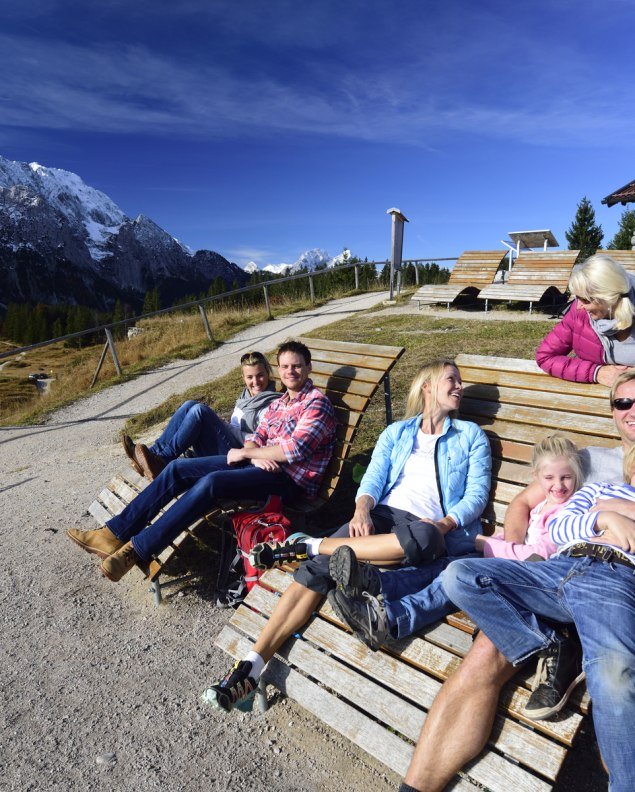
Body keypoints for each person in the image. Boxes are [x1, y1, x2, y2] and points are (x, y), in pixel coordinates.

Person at [203, 359, 491, 711]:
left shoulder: (470, 436)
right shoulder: (397, 433)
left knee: (426, 538)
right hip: (381, 517)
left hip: (429, 526)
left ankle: (306, 545)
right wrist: (362, 509)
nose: (459, 386)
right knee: (313, 572)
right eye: (452, 380)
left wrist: (445, 524)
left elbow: (476, 495)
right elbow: (373, 479)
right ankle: (251, 666)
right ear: (427, 386)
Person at [398, 370, 635, 792]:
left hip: (613, 584)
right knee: (477, 622)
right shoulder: (592, 461)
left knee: (614, 672)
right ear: (613, 410)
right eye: (623, 403)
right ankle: (414, 787)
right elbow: (543, 507)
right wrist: (600, 516)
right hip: (556, 567)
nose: (631, 411)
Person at [66, 340, 336, 583]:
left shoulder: (316, 403)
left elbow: (294, 449)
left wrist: (246, 454)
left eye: (297, 366)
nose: (291, 372)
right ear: (279, 368)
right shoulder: (279, 404)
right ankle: (112, 533)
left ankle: (135, 551)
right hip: (262, 468)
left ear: (308, 367)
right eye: (286, 366)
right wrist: (254, 453)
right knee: (176, 468)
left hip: (289, 482)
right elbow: (257, 435)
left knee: (212, 482)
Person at [325, 434, 582, 652]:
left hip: (524, 576)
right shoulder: (544, 502)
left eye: (566, 478)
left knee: (448, 583)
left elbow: (540, 556)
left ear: (577, 476)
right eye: (549, 479)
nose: (558, 486)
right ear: (536, 477)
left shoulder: (568, 512)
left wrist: (485, 544)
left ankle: (389, 619)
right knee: (441, 566)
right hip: (502, 559)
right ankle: (376, 582)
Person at [121, 351, 280, 480]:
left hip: (240, 458)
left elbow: (261, 440)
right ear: (243, 378)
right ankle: (153, 455)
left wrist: (225, 427)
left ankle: (162, 461)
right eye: (250, 377)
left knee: (200, 411)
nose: (256, 381)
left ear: (268, 374)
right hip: (227, 446)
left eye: (260, 375)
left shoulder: (271, 405)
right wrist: (223, 425)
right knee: (188, 405)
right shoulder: (246, 397)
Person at [536, 253, 635, 385]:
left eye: (585, 300)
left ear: (609, 298)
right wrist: (596, 372)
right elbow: (545, 357)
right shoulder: (578, 314)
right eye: (577, 297)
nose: (579, 306)